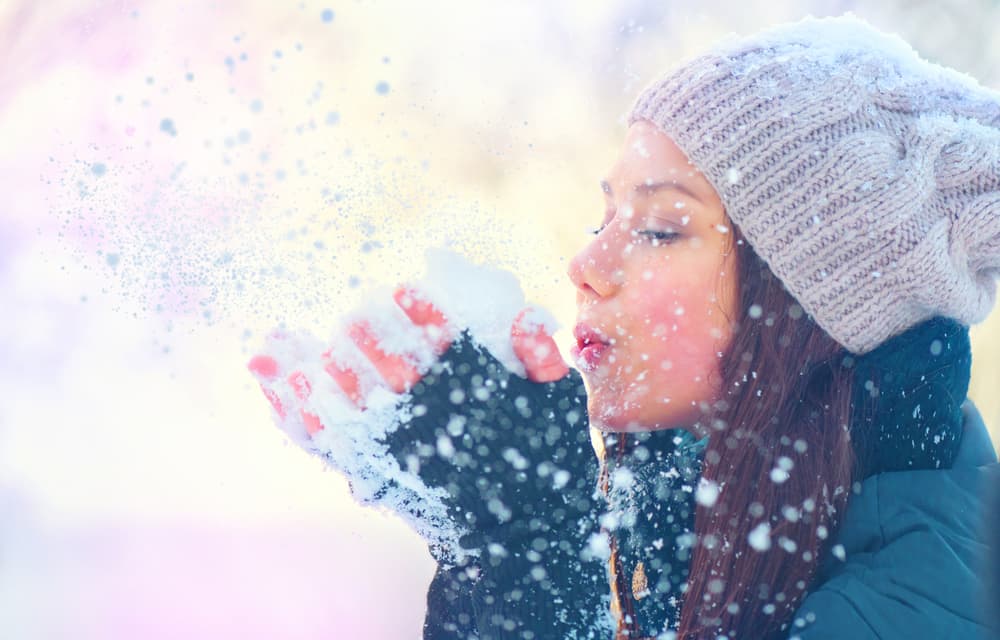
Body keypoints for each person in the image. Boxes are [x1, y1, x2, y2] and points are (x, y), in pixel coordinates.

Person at [247, 15, 1000, 639]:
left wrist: (528, 547)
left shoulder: (915, 611)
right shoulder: (741, 514)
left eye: (661, 229)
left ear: (813, 309)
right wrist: (472, 536)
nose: (586, 265)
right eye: (605, 219)